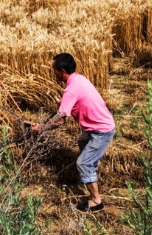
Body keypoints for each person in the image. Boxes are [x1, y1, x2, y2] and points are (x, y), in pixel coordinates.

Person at [30, 53, 115, 212]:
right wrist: (64, 103)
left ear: (62, 71)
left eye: (54, 69)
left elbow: (60, 120)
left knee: (82, 163)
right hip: (95, 127)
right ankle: (91, 174)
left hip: (101, 130)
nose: (52, 72)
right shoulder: (79, 79)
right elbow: (79, 99)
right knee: (82, 142)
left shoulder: (70, 91)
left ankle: (96, 201)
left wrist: (41, 128)